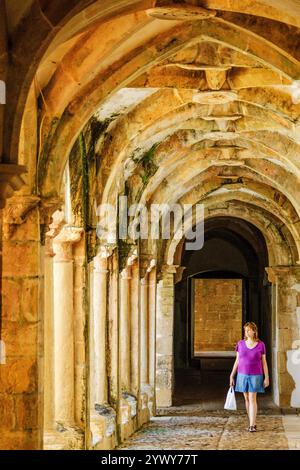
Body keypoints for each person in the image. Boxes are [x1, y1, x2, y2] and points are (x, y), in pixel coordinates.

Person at [229, 321, 269, 432]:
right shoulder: (240, 344)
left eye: (248, 330)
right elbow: (237, 361)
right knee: (246, 398)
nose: (246, 332)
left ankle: (251, 425)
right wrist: (232, 375)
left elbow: (264, 362)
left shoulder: (261, 345)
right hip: (242, 375)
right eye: (245, 330)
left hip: (256, 375)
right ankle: (252, 421)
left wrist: (267, 377)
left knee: (252, 398)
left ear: (254, 331)